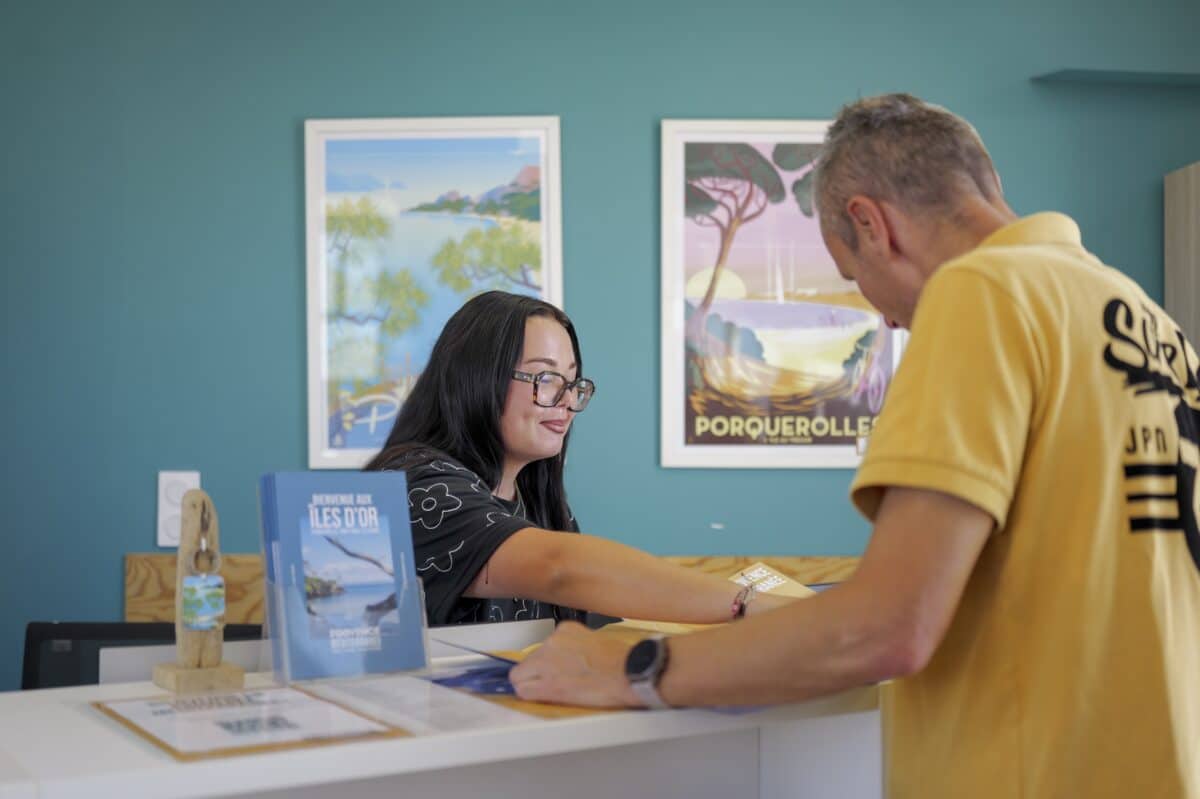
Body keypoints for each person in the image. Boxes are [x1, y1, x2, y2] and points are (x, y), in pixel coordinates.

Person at [510, 94, 1200, 798]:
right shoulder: (1145, 320)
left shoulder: (982, 291)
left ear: (871, 224)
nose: (887, 321)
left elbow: (888, 627)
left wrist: (633, 669)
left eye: (853, 275)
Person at [365, 290, 788, 627]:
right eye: (546, 377)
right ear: (476, 378)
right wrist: (748, 605)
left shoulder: (536, 500)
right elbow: (560, 569)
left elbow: (589, 618)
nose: (567, 401)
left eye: (572, 382)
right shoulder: (418, 486)